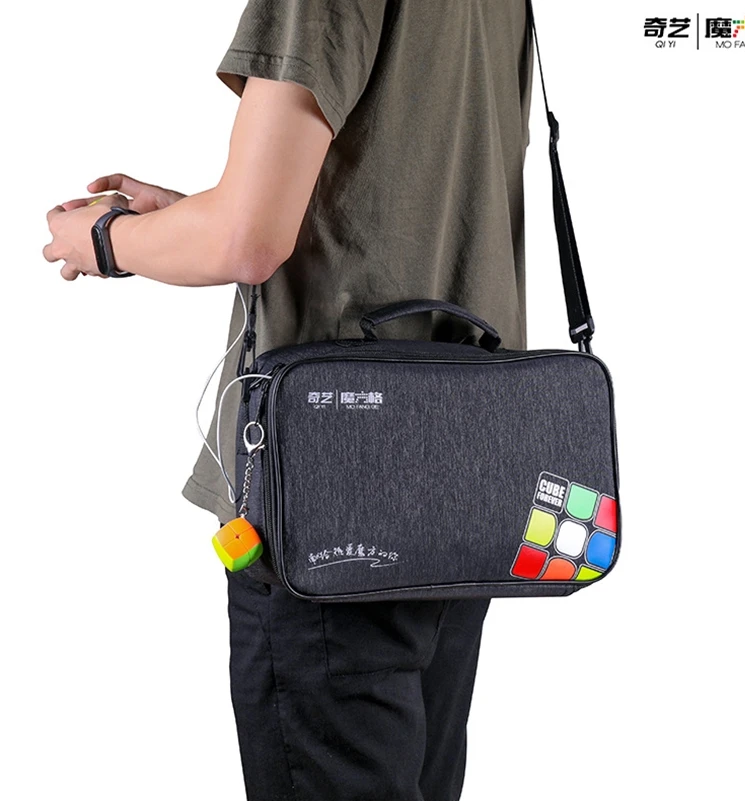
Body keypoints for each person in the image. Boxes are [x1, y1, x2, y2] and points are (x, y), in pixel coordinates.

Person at [43, 1, 535, 798]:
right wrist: (194, 213)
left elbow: (245, 240)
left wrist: (103, 240)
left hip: (328, 497)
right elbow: (400, 199)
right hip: (466, 471)